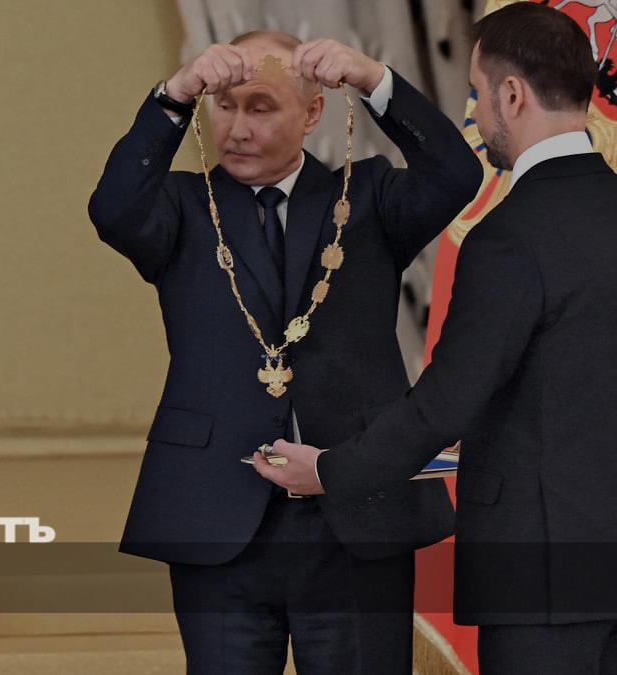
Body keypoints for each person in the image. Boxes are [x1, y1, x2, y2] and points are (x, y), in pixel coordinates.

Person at [88, 30, 480, 672]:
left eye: (262, 107)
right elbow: (111, 208)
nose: (237, 128)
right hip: (216, 513)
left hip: (354, 517)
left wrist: (372, 79)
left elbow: (457, 173)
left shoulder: (370, 198)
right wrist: (173, 97)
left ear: (312, 113)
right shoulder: (183, 208)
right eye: (224, 106)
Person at [254, 4, 617, 673]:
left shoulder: (509, 237)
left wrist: (329, 471)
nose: (475, 114)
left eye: (477, 93)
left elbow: (444, 404)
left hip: (540, 581)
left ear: (513, 95)